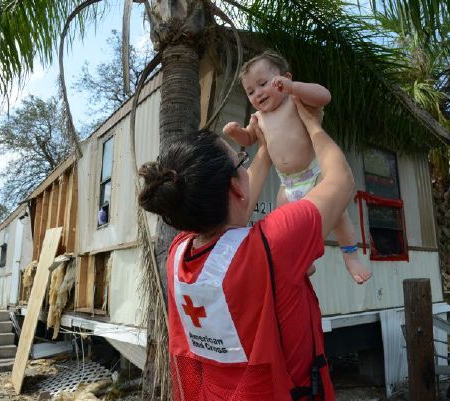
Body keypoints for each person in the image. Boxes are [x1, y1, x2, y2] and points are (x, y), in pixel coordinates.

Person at [138, 98, 353, 400]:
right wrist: (313, 126)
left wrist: (264, 149)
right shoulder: (275, 242)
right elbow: (341, 181)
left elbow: (232, 211)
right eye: (241, 161)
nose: (245, 164)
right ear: (235, 187)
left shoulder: (179, 253)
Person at [223, 50, 371, 284]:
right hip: (288, 183)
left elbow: (324, 96)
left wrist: (294, 87)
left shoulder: (294, 100)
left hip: (315, 174)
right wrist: (236, 133)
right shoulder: (258, 117)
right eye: (250, 91)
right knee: (286, 221)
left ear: (285, 78)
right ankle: (306, 260)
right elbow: (250, 139)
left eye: (263, 84)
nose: (258, 93)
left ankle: (350, 255)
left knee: (340, 217)